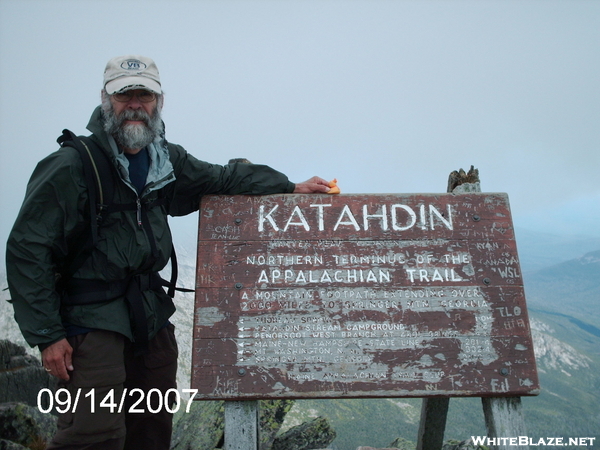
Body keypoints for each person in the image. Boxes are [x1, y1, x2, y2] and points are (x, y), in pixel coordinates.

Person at [6, 55, 331, 450]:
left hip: (150, 318)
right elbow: (28, 249)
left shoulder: (165, 159)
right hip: (89, 326)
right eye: (124, 94)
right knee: (94, 436)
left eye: (144, 94)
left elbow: (221, 177)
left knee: (151, 432)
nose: (135, 104)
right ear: (106, 99)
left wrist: (289, 185)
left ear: (159, 101)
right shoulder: (73, 164)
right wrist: (48, 336)